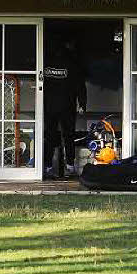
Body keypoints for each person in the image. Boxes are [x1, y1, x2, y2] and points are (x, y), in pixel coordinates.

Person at [42, 36, 86, 179]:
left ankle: (48, 166)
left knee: (49, 135)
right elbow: (80, 85)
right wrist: (82, 103)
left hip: (49, 106)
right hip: (67, 105)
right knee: (68, 136)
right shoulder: (72, 63)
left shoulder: (44, 62)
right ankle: (69, 166)